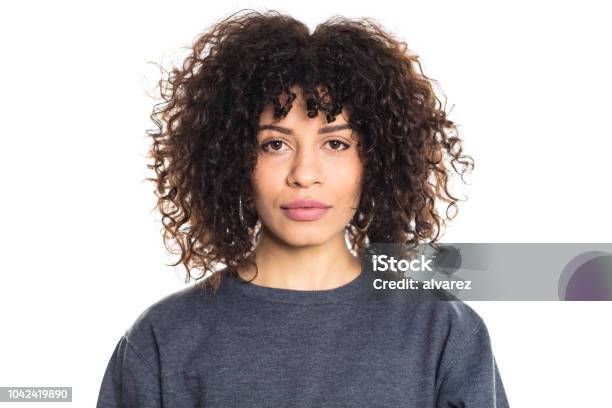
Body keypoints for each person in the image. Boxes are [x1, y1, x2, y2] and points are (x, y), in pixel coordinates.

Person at [96, 9, 510, 407]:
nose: (305, 173)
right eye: (275, 144)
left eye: (336, 143)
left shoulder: (443, 333)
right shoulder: (163, 341)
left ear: (377, 160)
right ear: (232, 159)